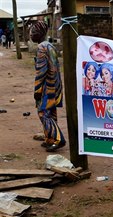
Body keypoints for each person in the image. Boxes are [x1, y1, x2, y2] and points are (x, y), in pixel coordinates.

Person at [30, 21, 65, 152]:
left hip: (47, 86)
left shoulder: (41, 48)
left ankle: (58, 139)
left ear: (39, 33)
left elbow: (41, 71)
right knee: (51, 112)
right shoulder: (50, 45)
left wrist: (37, 89)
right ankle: (49, 139)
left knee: (43, 113)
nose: (31, 34)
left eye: (33, 31)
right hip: (55, 85)